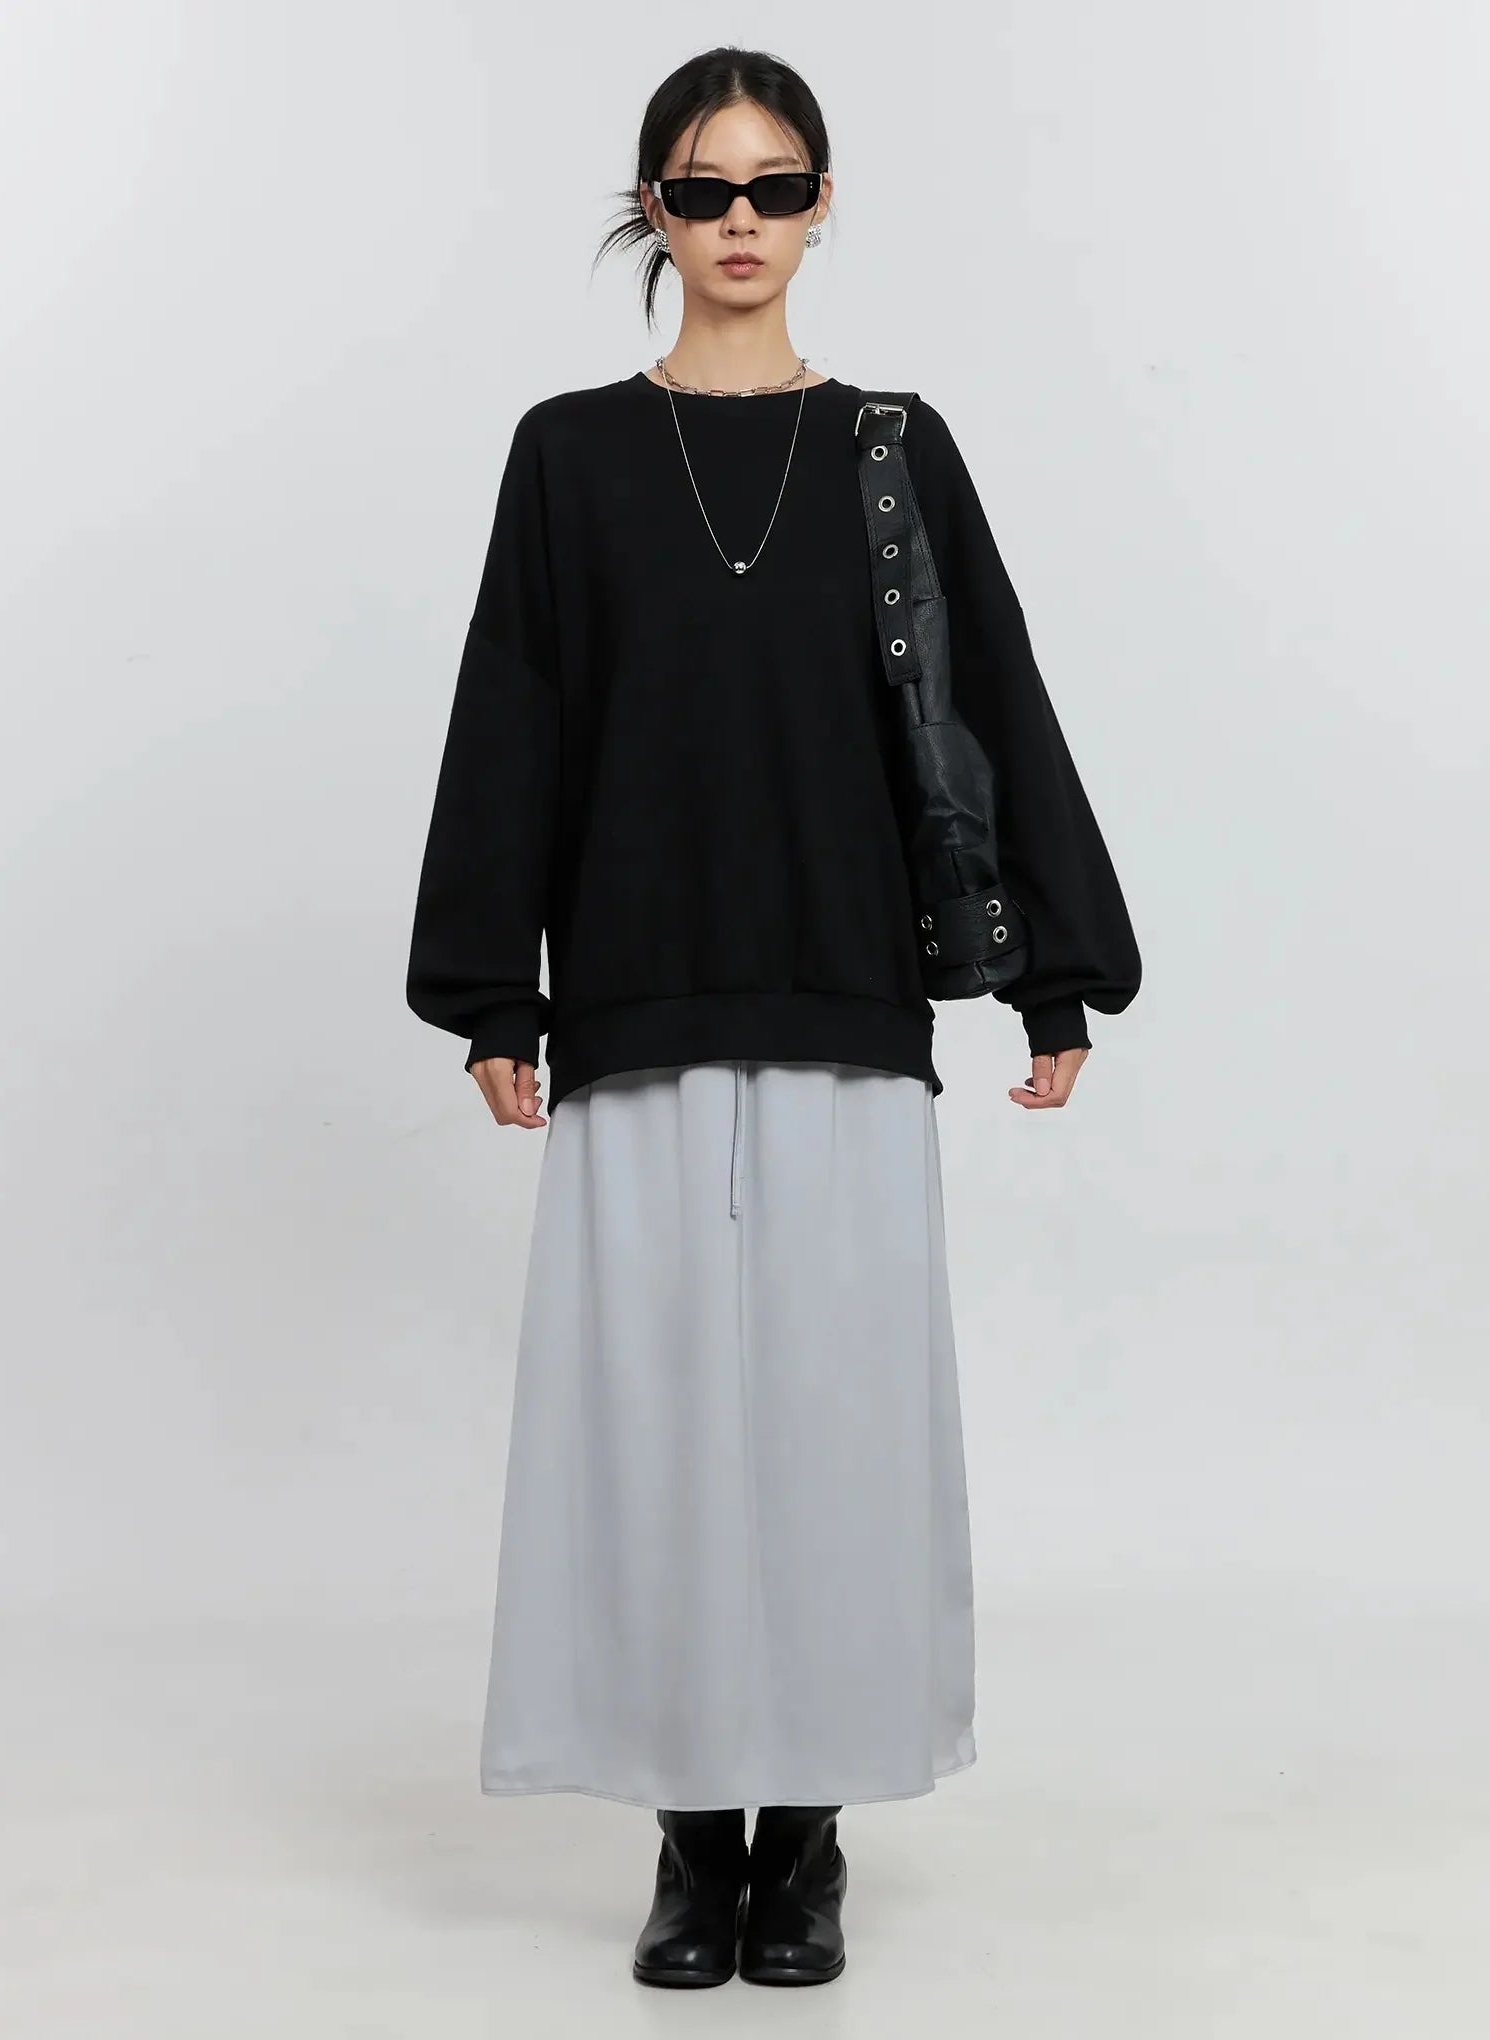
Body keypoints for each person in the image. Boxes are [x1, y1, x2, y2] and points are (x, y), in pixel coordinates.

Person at [404, 46, 1141, 1991]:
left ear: (824, 205)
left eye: (778, 185)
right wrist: (489, 992)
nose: (743, 221)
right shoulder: (569, 453)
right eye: (706, 188)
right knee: (653, 1433)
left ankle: (804, 1832)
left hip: (844, 989)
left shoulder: (895, 446)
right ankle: (689, 1832)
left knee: (835, 1427)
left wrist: (1054, 967)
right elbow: (514, 710)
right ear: (652, 208)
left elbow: (991, 698)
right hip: (635, 992)